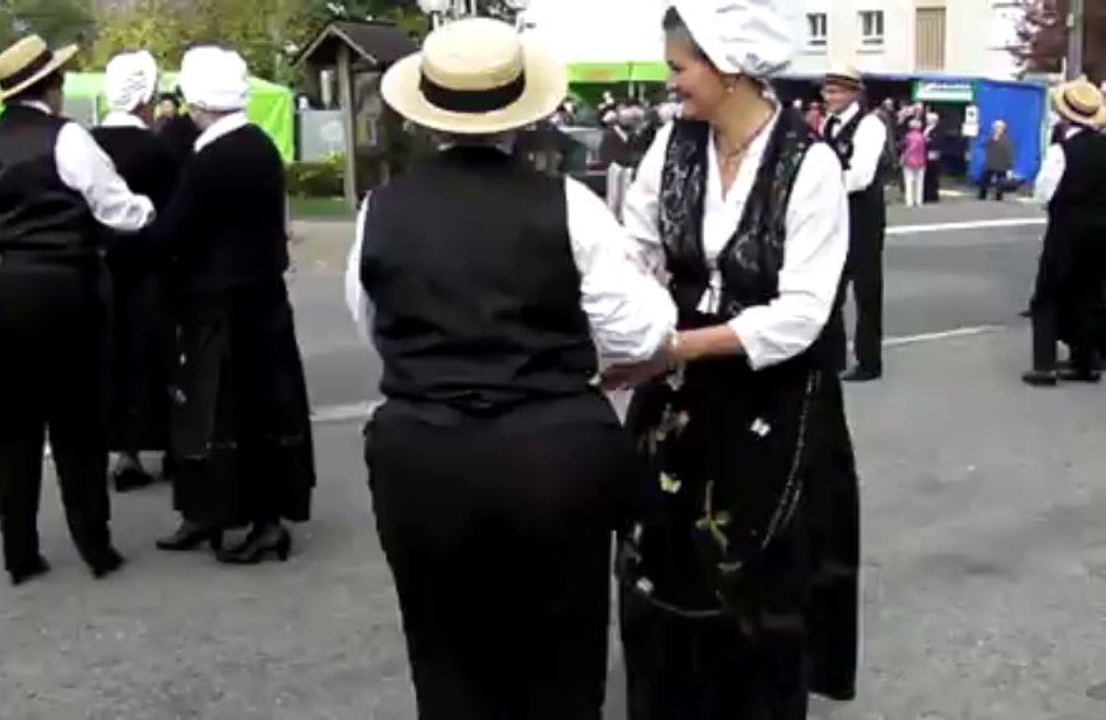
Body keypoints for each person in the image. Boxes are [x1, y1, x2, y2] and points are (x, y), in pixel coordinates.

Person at [350, 18, 678, 718]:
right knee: (560, 651)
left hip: (423, 451)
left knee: (444, 650)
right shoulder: (569, 205)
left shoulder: (381, 209)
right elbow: (640, 331)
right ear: (521, 116)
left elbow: (373, 324)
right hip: (549, 447)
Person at [614, 1, 860, 717]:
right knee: (664, 560)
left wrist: (676, 346)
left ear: (728, 68)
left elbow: (803, 314)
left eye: (678, 68)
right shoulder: (671, 148)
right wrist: (624, 320)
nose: (671, 84)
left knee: (754, 569)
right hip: (678, 391)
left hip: (772, 399)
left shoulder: (809, 165)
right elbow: (637, 250)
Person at [0, 35, 155, 585]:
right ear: (53, 86)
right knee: (77, 419)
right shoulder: (66, 137)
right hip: (57, 285)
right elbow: (118, 209)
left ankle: (19, 551)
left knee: (7, 424)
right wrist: (150, 208)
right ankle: (94, 545)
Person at [153, 46, 315, 564]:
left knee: (223, 415)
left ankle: (252, 520)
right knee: (250, 412)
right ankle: (214, 513)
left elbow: (175, 228)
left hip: (224, 306)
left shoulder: (215, 159)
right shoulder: (257, 144)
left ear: (201, 99)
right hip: (257, 299)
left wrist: (123, 239)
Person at [93, 51, 181, 492]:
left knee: (111, 359)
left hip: (101, 272)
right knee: (159, 358)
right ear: (145, 96)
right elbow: (172, 213)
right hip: (151, 270)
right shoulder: (157, 149)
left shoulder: (86, 142)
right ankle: (169, 447)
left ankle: (123, 453)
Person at [1023, 77, 1106, 387]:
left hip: (1067, 229)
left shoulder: (1062, 151)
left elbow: (1043, 193)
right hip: (1101, 231)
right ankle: (1086, 363)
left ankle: (1043, 366)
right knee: (1088, 295)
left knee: (1047, 295)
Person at [821, 64, 889, 382]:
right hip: (834, 215)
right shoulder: (828, 125)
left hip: (862, 216)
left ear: (853, 94)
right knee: (829, 288)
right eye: (827, 90)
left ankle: (869, 359)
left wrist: (821, 187)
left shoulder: (869, 125)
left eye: (835, 91)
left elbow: (861, 176)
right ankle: (831, 356)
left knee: (866, 289)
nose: (828, 97)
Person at [979, 120, 1015, 201]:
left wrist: (1009, 166)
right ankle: (982, 195)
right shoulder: (990, 139)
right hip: (990, 164)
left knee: (1001, 182)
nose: (997, 129)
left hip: (1001, 165)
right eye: (996, 128)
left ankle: (998, 196)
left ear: (1003, 129)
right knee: (984, 180)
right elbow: (983, 145)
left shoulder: (1006, 141)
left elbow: (1009, 154)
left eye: (999, 128)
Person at [901, 117, 928, 208]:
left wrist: (903, 157)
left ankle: (909, 201)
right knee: (920, 182)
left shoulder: (907, 136)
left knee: (909, 181)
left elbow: (905, 147)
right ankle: (919, 200)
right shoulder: (922, 137)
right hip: (921, 161)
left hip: (909, 160)